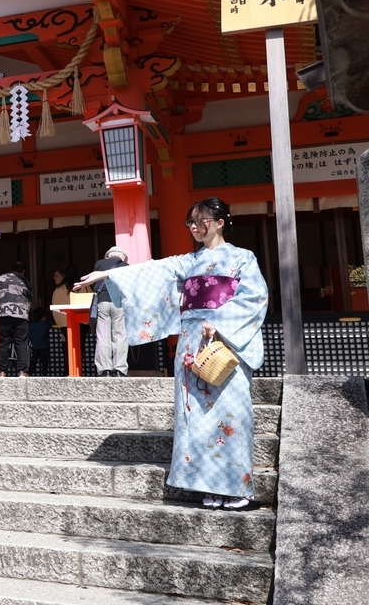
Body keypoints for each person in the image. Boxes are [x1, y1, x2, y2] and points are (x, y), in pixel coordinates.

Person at [76, 197, 267, 511]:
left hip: (224, 341)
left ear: (220, 222)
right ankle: (207, 484)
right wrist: (108, 275)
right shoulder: (190, 262)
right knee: (196, 417)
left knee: (230, 414)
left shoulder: (242, 258)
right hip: (192, 344)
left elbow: (255, 296)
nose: (194, 226)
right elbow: (154, 269)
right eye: (190, 221)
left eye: (200, 219)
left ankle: (237, 488)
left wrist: (218, 321)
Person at [92, 247, 130, 377]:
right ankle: (120, 369)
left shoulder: (99, 264)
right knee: (120, 335)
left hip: (102, 301)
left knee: (103, 336)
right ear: (123, 257)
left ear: (107, 257)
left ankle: (105, 370)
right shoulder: (127, 266)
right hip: (119, 302)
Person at [0, 261, 32, 377]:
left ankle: (2, 372)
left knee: (4, 342)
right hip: (21, 315)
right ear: (23, 271)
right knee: (21, 342)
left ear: (11, 269)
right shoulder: (26, 282)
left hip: (4, 313)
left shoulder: (0, 278)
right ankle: (22, 371)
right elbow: (29, 302)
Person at [28, 306, 51, 376]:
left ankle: (29, 373)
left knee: (33, 362)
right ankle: (44, 375)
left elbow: (29, 336)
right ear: (42, 317)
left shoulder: (32, 325)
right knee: (44, 363)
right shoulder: (46, 324)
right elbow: (47, 334)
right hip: (45, 346)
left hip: (35, 346)